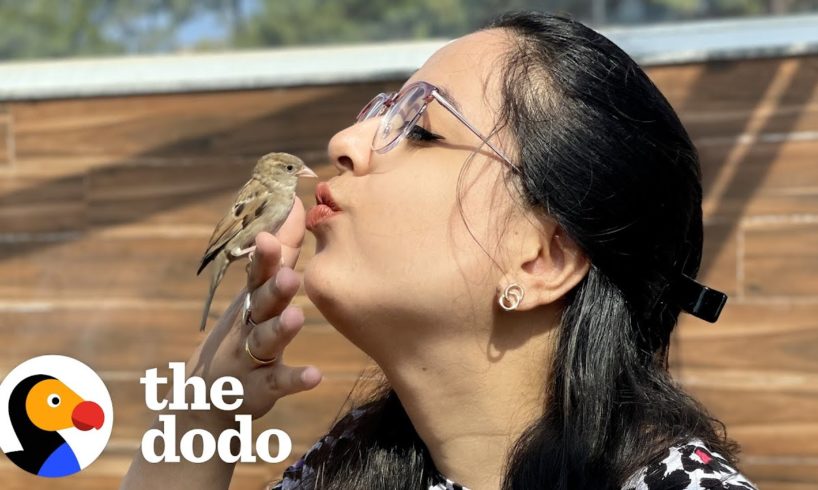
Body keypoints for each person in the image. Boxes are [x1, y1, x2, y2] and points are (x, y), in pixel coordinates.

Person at [122, 11, 758, 490]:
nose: (346, 140)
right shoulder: (340, 472)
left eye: (420, 129)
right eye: (379, 112)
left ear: (541, 259)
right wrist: (202, 417)